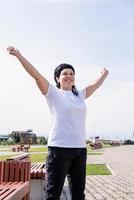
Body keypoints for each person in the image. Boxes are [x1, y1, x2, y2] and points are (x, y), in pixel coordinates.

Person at [7, 46, 109, 200]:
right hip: (59, 149)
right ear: (57, 78)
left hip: (80, 150)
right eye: (65, 74)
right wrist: (19, 55)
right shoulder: (53, 93)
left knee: (78, 195)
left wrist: (104, 74)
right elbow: (36, 75)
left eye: (72, 73)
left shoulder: (80, 95)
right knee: (53, 194)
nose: (69, 76)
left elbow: (95, 84)